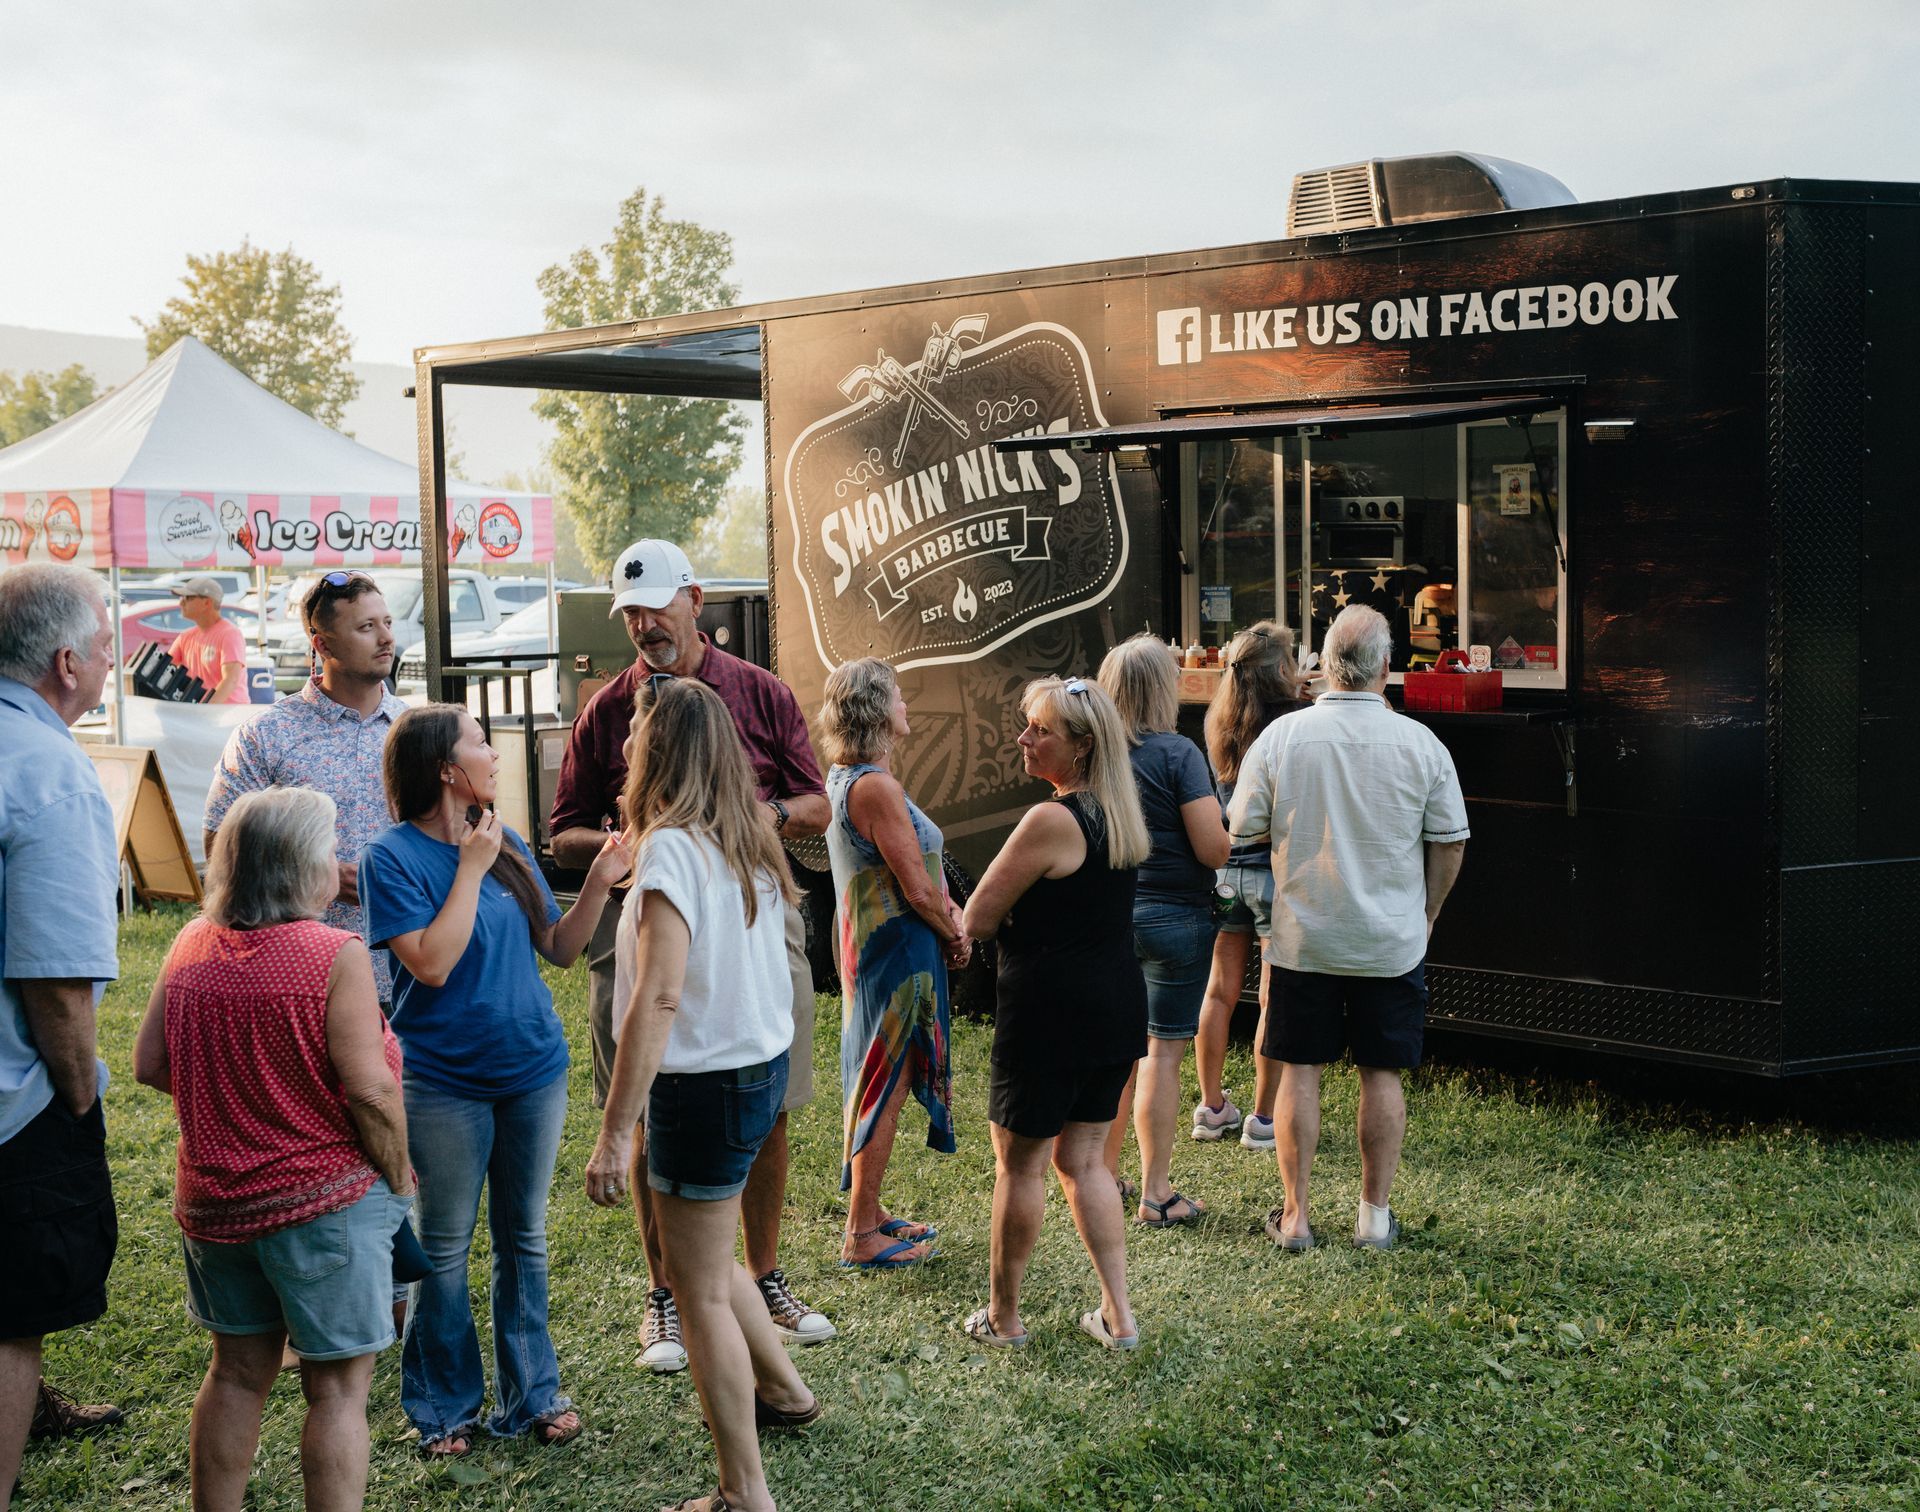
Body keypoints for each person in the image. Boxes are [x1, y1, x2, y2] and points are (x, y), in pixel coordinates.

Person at [549, 538, 833, 1373]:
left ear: (696, 600)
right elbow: (562, 829)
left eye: (656, 608)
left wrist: (749, 825)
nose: (643, 626)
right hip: (646, 910)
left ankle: (765, 1275)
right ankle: (666, 1295)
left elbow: (817, 802)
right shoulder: (608, 709)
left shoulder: (760, 692)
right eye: (630, 614)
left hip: (751, 909)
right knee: (644, 1099)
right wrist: (623, 843)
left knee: (767, 1093)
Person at [358, 705, 632, 1456]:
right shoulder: (391, 859)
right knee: (443, 1248)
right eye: (479, 742)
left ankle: (534, 1396)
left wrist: (602, 882)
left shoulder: (504, 840)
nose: (492, 751)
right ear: (446, 769)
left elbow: (561, 947)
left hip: (533, 1070)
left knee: (526, 1239)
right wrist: (471, 872)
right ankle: (446, 1408)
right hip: (444, 1083)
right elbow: (432, 963)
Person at [131, 788, 414, 1511]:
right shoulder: (331, 953)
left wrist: (234, 1106)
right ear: (299, 867)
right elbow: (372, 1093)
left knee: (233, 1374)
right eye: (327, 854)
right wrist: (399, 1175)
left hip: (217, 1207)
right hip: (323, 1206)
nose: (337, 867)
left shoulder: (190, 943)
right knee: (339, 1388)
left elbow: (151, 1062)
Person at [585, 679, 820, 1512]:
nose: (625, 745)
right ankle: (787, 1393)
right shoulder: (744, 838)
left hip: (702, 1088)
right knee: (710, 1263)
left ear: (656, 751)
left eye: (637, 734)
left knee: (697, 1290)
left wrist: (616, 1133)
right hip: (751, 1079)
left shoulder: (675, 851)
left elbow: (656, 996)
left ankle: (742, 1494)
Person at [1227, 605, 1468, 1251]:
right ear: (1386, 668)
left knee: (1300, 1070)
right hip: (1390, 939)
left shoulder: (1281, 739)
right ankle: (1373, 1218)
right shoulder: (1421, 743)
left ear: (1323, 666)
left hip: (1303, 934)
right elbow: (1449, 844)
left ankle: (1297, 1216)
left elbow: (1240, 831)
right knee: (1381, 1074)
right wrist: (1428, 914)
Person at [960, 676, 1149, 1351]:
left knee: (1022, 1166)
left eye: (1040, 730)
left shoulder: (1050, 820)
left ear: (1082, 745)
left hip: (1048, 1013)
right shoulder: (1122, 814)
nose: (1023, 738)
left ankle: (1004, 1318)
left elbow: (977, 917)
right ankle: (1119, 1316)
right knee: (1088, 1162)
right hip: (1116, 1009)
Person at [0, 565, 124, 1502]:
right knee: (13, 1316)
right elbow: (55, 985)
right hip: (12, 1110)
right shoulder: (48, 771)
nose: (118, 659)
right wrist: (79, 1100)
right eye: (108, 643)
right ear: (68, 661)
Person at [818, 658, 965, 1267]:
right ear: (879, 712)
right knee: (890, 1075)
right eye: (899, 695)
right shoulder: (875, 787)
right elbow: (917, 888)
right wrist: (956, 931)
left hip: (874, 945)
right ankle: (860, 1234)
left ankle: (870, 1210)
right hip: (898, 949)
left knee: (875, 1071)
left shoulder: (846, 776)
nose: (908, 704)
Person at [205, 571, 408, 1009]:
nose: (385, 638)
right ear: (323, 645)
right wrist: (319, 873)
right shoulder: (266, 735)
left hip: (411, 975)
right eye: (366, 627)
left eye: (387, 623)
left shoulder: (414, 730)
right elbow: (219, 844)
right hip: (297, 979)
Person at [1095, 635, 1228, 1227]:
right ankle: (1155, 1193)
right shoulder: (1178, 754)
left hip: (1110, 918)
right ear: (1161, 689)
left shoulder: (1091, 756)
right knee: (1162, 1055)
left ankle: (1101, 1175)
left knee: (1119, 1054)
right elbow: (1212, 847)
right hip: (1176, 919)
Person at [1192, 622, 1312, 1151]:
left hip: (1224, 871)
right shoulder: (1295, 723)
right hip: (1273, 871)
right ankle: (1263, 1119)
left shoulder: (1220, 720)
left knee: (1218, 990)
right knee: (1270, 996)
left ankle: (1211, 1107)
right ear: (1283, 671)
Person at [166, 574, 250, 705]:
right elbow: (165, 670)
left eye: (187, 597)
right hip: (202, 716)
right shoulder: (185, 637)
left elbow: (231, 680)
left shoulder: (230, 634)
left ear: (207, 602)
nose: (181, 603)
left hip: (229, 716)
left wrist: (206, 711)